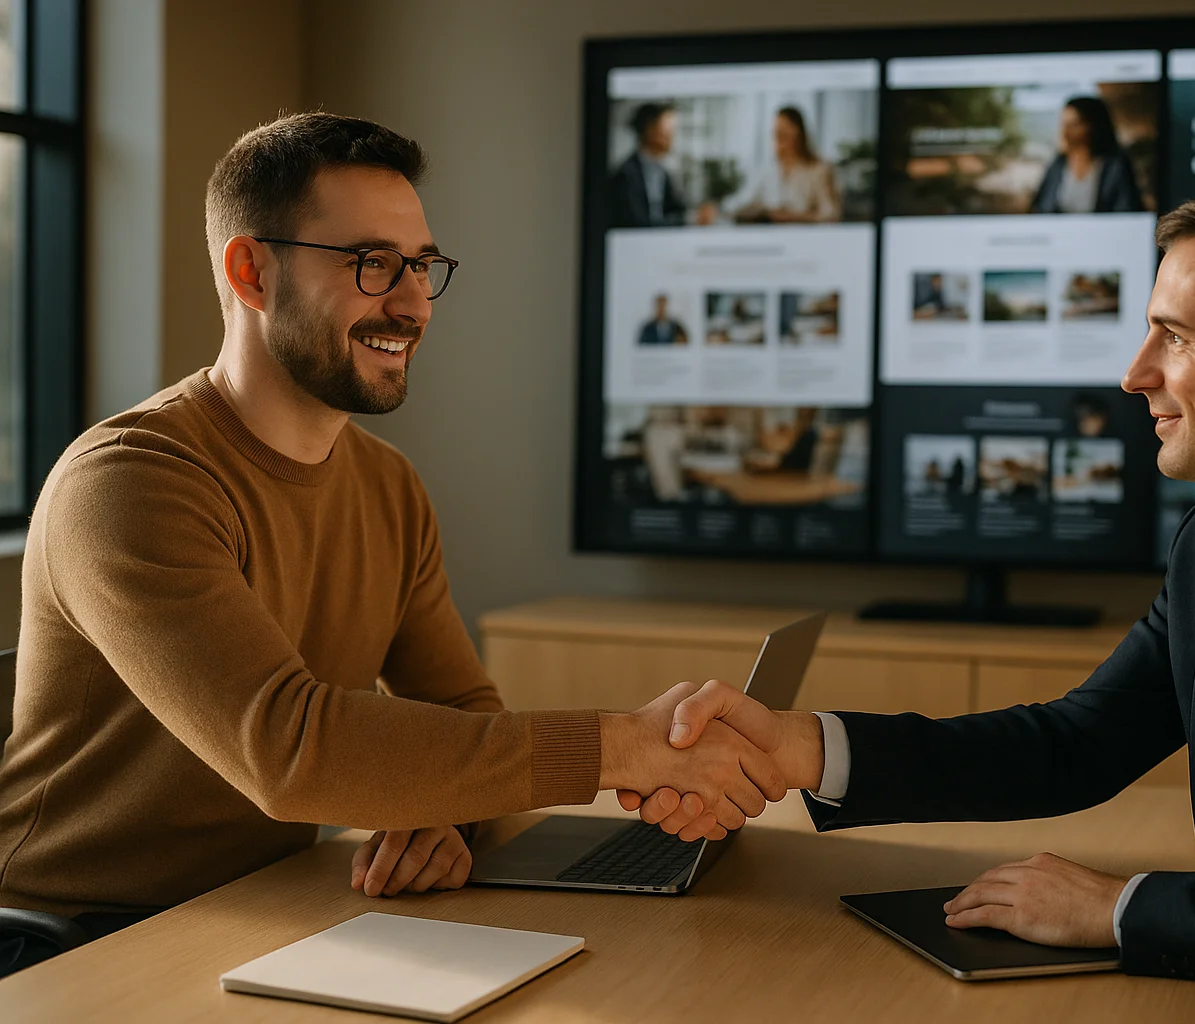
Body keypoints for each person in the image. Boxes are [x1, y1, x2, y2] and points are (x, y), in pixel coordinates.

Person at [629, 187, 1195, 1020]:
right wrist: (803, 747)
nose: (1135, 372)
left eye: (1174, 336)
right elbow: (1074, 744)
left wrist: (1118, 906)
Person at [0, 113, 782, 976]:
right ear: (251, 271)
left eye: (421, 266)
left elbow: (464, 714)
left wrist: (442, 814)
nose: (410, 303)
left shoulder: (387, 484)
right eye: (372, 263)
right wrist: (621, 745)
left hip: (270, 902)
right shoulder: (132, 481)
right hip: (70, 940)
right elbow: (290, 749)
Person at [724, 106, 841, 224]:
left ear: (799, 135)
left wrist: (792, 217)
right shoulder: (768, 170)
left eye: (784, 136)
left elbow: (831, 214)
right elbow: (742, 201)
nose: (779, 143)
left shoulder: (820, 169)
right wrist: (719, 209)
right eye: (776, 136)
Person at [1030, 96, 1143, 215]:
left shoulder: (1115, 166)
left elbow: (1126, 209)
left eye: (1074, 124)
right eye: (1064, 124)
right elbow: (1041, 207)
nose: (1066, 131)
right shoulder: (1058, 165)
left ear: (1092, 126)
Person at [610, 102, 715, 228]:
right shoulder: (626, 174)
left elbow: (674, 209)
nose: (672, 135)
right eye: (667, 129)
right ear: (650, 130)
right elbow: (637, 223)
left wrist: (696, 214)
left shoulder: (661, 171)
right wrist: (689, 219)